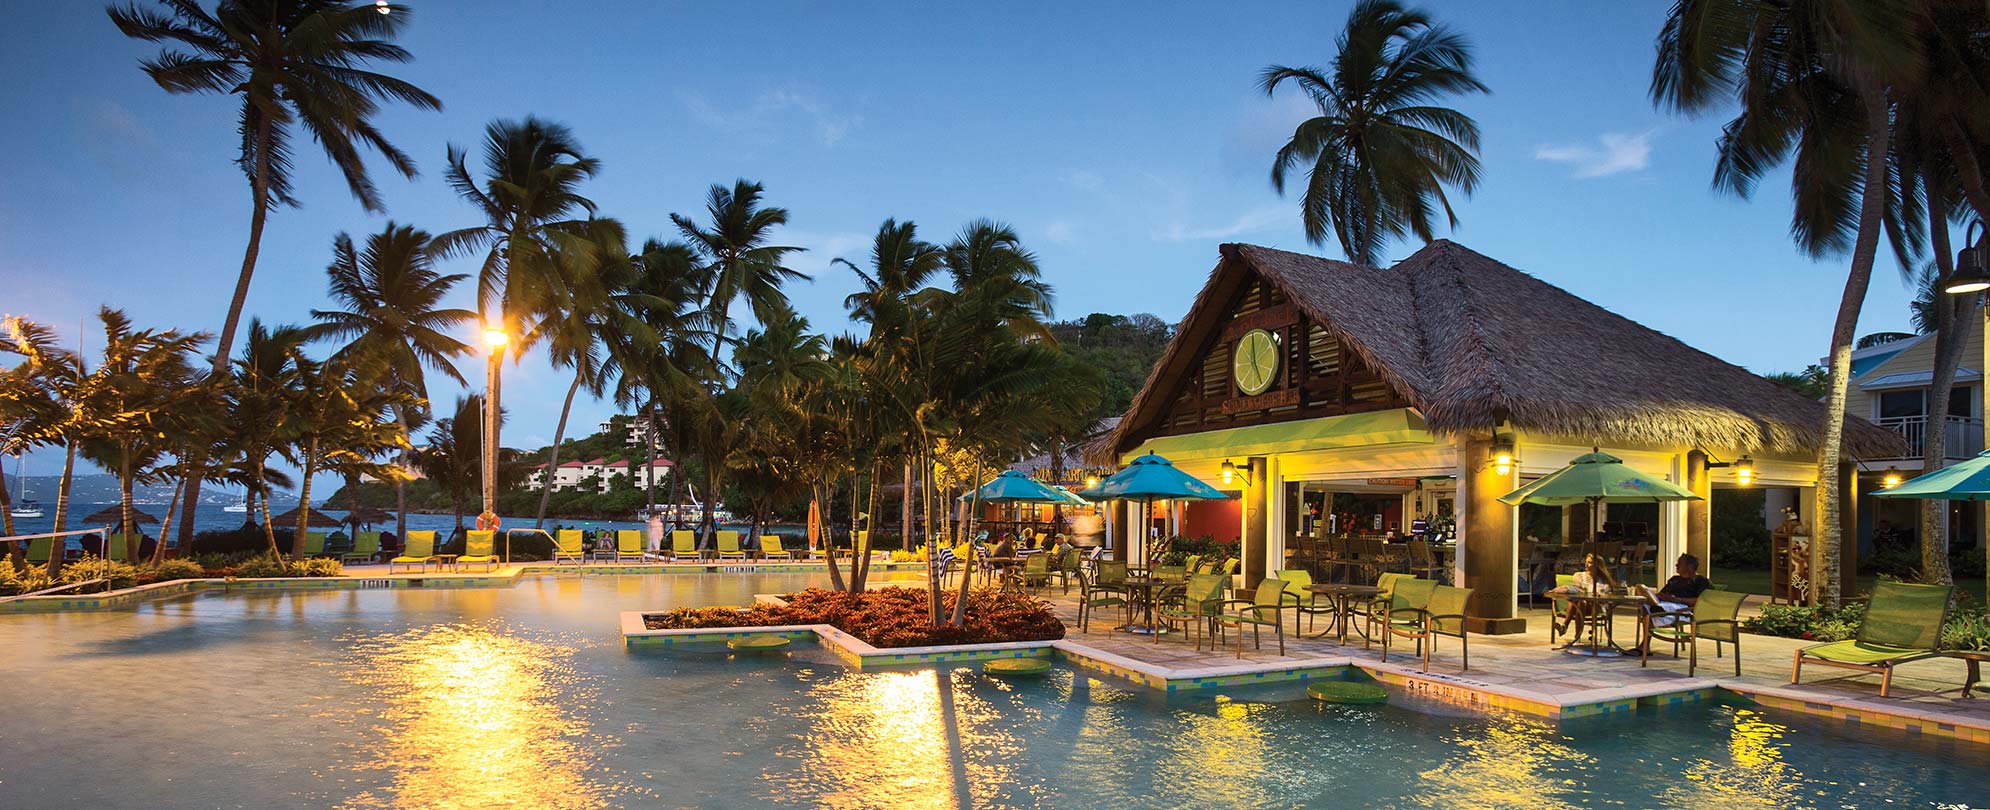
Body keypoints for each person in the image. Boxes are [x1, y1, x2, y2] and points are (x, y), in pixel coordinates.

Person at [1548, 554, 1618, 641]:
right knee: (1580, 601)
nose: (1586, 564)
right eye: (1586, 562)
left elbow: (1608, 593)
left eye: (1590, 562)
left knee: (1580, 601)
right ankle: (1576, 635)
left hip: (1596, 606)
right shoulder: (1579, 575)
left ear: (1597, 565)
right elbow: (1578, 590)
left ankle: (1566, 626)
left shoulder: (1603, 579)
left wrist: (1600, 593)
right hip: (1581, 605)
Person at [1644, 554, 1712, 627]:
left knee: (1653, 611)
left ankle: (1658, 611)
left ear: (1690, 566)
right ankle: (1657, 609)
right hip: (1664, 604)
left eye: (1679, 563)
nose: (1676, 565)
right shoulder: (1674, 579)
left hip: (1683, 609)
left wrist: (1677, 599)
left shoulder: (1701, 581)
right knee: (1641, 590)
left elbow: (1702, 601)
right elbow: (1662, 593)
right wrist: (1661, 596)